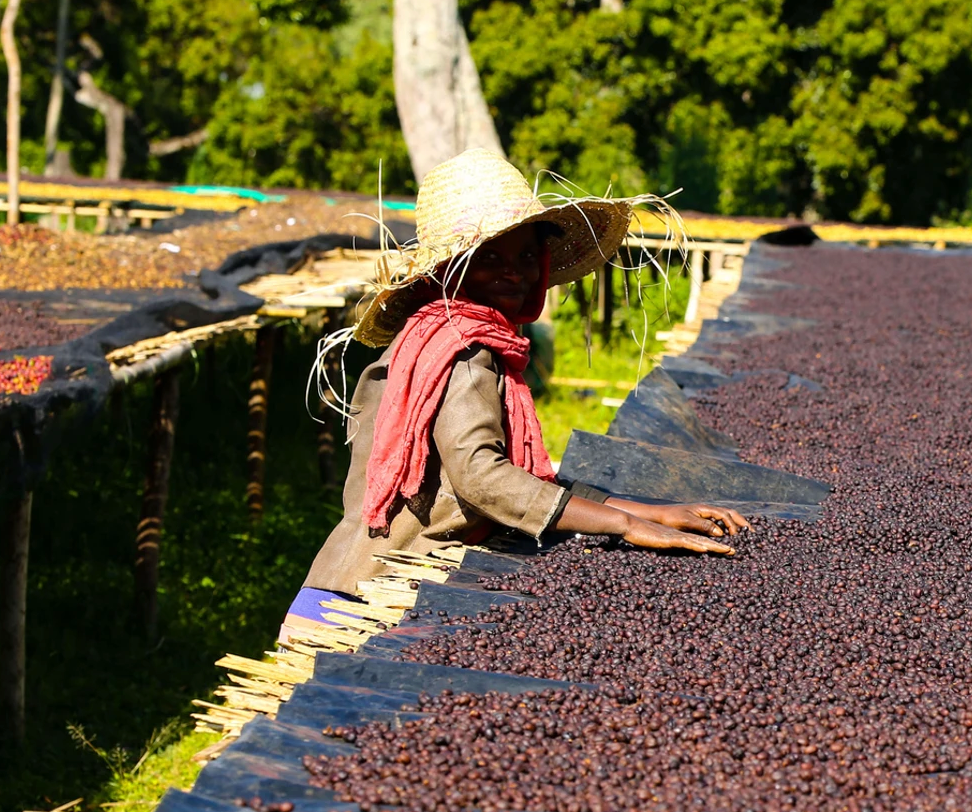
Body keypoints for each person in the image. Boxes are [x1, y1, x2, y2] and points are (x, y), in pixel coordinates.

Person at [287, 149, 748, 635]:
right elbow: (482, 477)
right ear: (452, 269)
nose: (514, 272)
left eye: (527, 257)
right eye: (490, 259)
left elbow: (521, 481)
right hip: (364, 600)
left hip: (356, 578)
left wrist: (645, 511)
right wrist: (627, 526)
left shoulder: (445, 332)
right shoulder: (463, 348)